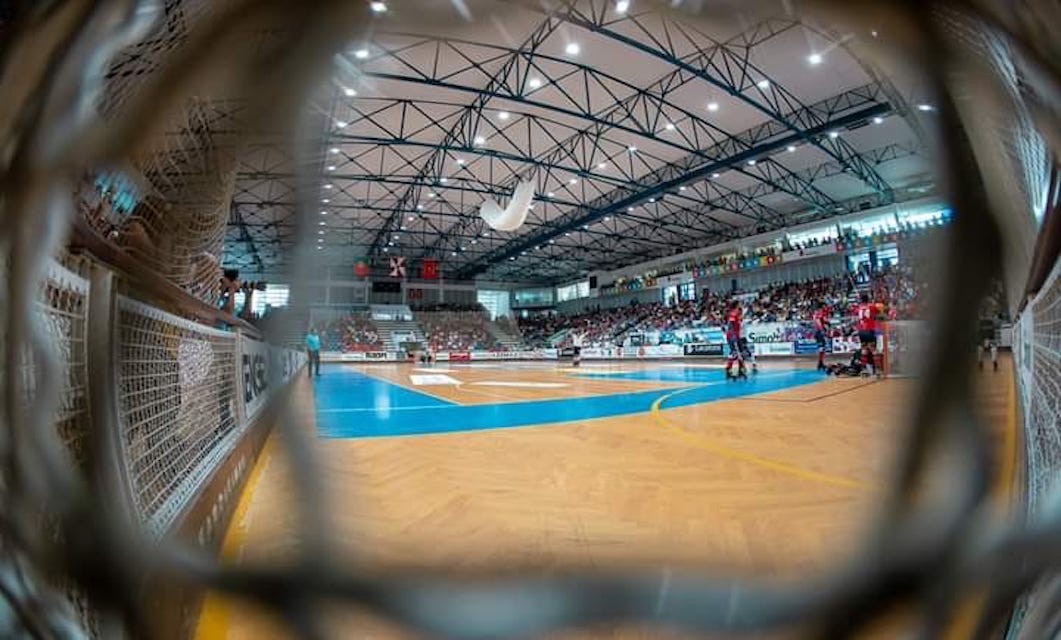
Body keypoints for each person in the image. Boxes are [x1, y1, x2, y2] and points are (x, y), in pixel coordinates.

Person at [853, 293, 882, 377]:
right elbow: (878, 311)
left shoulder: (858, 308)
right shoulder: (871, 306)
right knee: (873, 350)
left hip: (861, 331)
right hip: (869, 330)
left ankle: (864, 370)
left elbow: (855, 313)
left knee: (864, 350)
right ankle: (878, 370)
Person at [724, 300, 746, 380]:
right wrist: (733, 335)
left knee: (740, 352)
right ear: (737, 305)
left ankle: (740, 369)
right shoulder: (733, 313)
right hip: (733, 336)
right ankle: (729, 369)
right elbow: (730, 324)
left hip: (736, 335)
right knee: (735, 352)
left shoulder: (737, 313)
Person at [813, 302, 830, 372]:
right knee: (821, 348)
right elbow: (818, 320)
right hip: (819, 332)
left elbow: (822, 320)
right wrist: (822, 329)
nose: (825, 307)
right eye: (825, 306)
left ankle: (821, 363)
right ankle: (820, 363)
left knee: (822, 348)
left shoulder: (816, 312)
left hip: (818, 332)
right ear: (822, 306)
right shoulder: (820, 312)